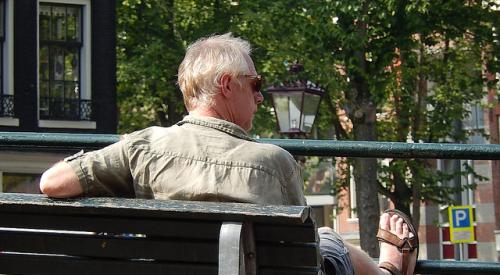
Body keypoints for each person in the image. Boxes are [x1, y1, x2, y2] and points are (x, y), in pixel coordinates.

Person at [40, 33, 417, 275]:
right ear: (226, 84)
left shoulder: (143, 147)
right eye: (254, 84)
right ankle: (389, 269)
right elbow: (304, 264)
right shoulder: (274, 162)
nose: (258, 96)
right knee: (329, 240)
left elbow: (52, 183)